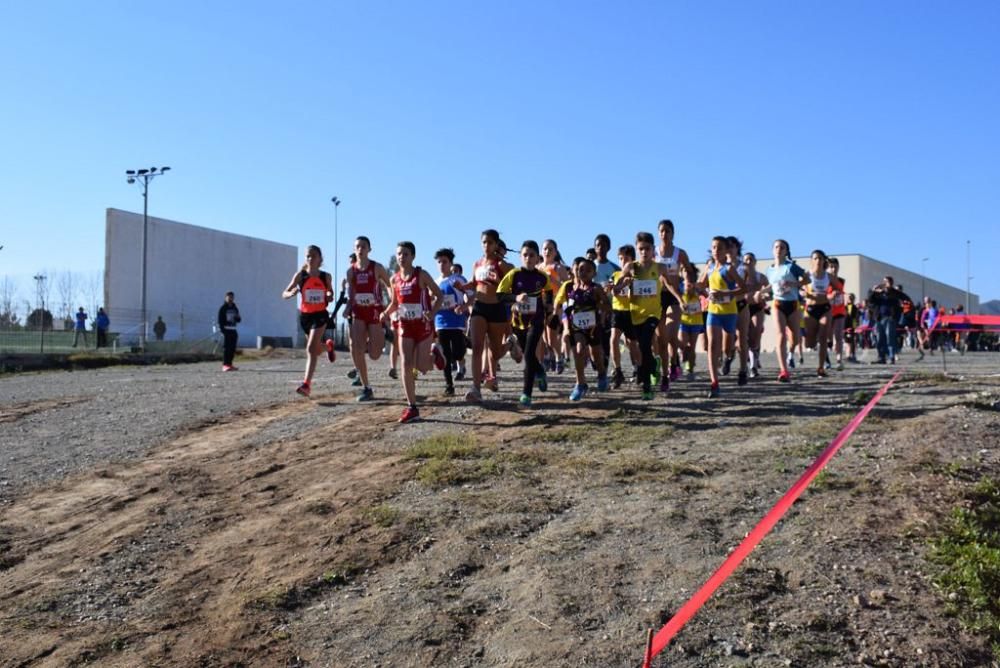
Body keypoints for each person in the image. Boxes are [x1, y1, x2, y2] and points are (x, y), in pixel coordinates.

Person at [380, 241, 444, 423]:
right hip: (405, 326)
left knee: (423, 367)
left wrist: (431, 314)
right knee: (406, 364)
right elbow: (394, 303)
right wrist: (385, 314)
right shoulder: (394, 279)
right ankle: (412, 407)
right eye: (399, 254)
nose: (401, 257)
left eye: (405, 254)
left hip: (422, 326)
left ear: (413, 256)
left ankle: (435, 354)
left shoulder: (421, 275)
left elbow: (438, 295)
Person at [496, 240, 556, 407]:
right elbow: (499, 295)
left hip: (536, 321)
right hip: (518, 322)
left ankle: (526, 394)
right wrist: (515, 298)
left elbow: (549, 290)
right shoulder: (514, 275)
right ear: (521, 257)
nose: (528, 258)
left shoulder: (542, 276)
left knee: (529, 355)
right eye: (525, 255)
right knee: (528, 355)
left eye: (532, 255)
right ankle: (540, 371)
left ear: (537, 258)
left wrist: (549, 303)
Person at [462, 229, 515, 403]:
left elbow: (512, 283)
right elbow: (473, 283)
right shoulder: (477, 264)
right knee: (477, 346)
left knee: (496, 352)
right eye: (484, 242)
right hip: (479, 307)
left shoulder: (502, 265)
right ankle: (476, 388)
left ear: (496, 245)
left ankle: (509, 344)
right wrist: (462, 287)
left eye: (490, 242)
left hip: (496, 309)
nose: (486, 246)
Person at [555, 257, 612, 400]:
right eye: (581, 269)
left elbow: (607, 306)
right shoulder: (569, 287)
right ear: (576, 271)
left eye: (588, 270)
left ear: (594, 273)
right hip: (576, 327)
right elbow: (559, 304)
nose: (584, 273)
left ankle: (602, 374)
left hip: (593, 327)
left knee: (596, 356)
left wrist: (599, 306)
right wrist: (560, 320)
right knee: (579, 350)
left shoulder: (596, 288)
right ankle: (580, 384)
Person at [697, 236, 746, 398]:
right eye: (713, 247)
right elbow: (700, 285)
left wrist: (725, 293)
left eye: (719, 248)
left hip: (730, 313)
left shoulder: (729, 269)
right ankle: (714, 382)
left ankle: (729, 357)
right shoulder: (710, 267)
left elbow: (743, 289)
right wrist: (706, 294)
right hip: (714, 312)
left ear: (726, 251)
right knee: (712, 345)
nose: (716, 251)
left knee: (727, 348)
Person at [282, 246, 335, 395]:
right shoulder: (300, 276)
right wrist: (290, 293)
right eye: (308, 256)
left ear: (320, 259)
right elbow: (283, 293)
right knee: (316, 350)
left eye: (313, 256)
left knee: (311, 349)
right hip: (306, 317)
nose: (310, 259)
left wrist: (329, 295)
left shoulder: (326, 277)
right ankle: (329, 347)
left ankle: (306, 384)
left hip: (320, 315)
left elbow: (330, 291)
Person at [346, 236, 392, 401]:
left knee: (374, 354)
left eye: (363, 246)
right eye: (357, 246)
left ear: (369, 249)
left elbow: (389, 285)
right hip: (358, 312)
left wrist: (391, 304)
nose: (360, 249)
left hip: (374, 312)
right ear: (354, 249)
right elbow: (351, 293)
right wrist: (347, 307)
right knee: (357, 348)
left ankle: (382, 334)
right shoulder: (351, 271)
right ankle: (367, 388)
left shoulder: (377, 268)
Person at [763, 239, 807, 382]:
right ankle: (784, 371)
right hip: (778, 304)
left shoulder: (791, 267)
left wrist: (794, 283)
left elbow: (807, 279)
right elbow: (771, 287)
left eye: (782, 247)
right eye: (776, 247)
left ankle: (791, 353)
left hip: (793, 304)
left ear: (786, 251)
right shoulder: (769, 270)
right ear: (772, 250)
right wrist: (761, 293)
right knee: (781, 335)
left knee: (795, 339)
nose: (778, 249)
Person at [654, 219, 690, 387]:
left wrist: (685, 277)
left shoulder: (679, 253)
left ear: (673, 233)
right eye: (661, 231)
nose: (664, 234)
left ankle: (672, 365)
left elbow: (690, 272)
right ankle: (673, 363)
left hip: (675, 298)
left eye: (667, 231)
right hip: (658, 297)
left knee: (670, 334)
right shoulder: (653, 253)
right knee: (662, 338)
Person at [433, 248, 469, 396]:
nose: (442, 264)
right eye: (439, 262)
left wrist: (464, 306)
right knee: (445, 354)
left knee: (458, 352)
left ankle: (461, 359)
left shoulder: (458, 280)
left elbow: (472, 295)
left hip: (457, 321)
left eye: (445, 262)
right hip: (441, 321)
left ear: (450, 263)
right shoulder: (435, 282)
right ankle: (449, 385)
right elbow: (430, 299)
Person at [802, 250, 832, 377]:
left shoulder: (828, 276)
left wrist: (832, 295)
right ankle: (808, 340)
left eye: (820, 258)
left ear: (824, 260)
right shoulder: (806, 275)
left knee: (823, 337)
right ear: (811, 260)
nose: (818, 261)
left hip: (825, 308)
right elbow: (801, 291)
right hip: (811, 309)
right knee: (810, 343)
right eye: (815, 258)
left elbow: (838, 289)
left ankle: (821, 367)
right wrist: (809, 295)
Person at [867, 276, 906, 364]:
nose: (885, 283)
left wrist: (894, 318)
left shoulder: (894, 293)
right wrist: (873, 291)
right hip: (879, 318)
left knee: (889, 338)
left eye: (887, 282)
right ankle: (881, 357)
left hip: (889, 318)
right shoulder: (879, 293)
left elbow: (897, 305)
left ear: (891, 283)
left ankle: (891, 357)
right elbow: (870, 300)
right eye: (884, 281)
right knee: (880, 339)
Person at [217, 292, 242, 372]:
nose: (230, 299)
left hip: (233, 329)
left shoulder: (235, 308)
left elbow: (238, 320)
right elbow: (220, 320)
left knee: (232, 348)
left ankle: (230, 364)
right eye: (229, 297)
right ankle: (225, 365)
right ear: (225, 298)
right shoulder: (223, 308)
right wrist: (222, 331)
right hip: (226, 330)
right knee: (227, 348)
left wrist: (238, 318)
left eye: (231, 297)